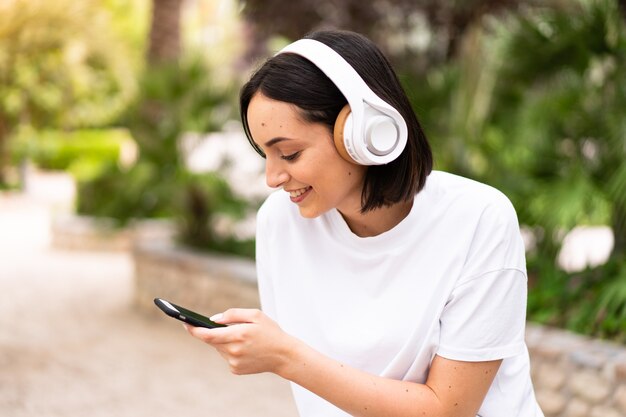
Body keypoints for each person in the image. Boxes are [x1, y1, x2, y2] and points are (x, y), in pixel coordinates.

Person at [185, 29, 544, 417]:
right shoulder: (279, 223)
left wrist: (284, 355)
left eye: (288, 153)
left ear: (364, 130)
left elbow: (448, 409)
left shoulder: (478, 219)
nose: (272, 178)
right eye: (265, 155)